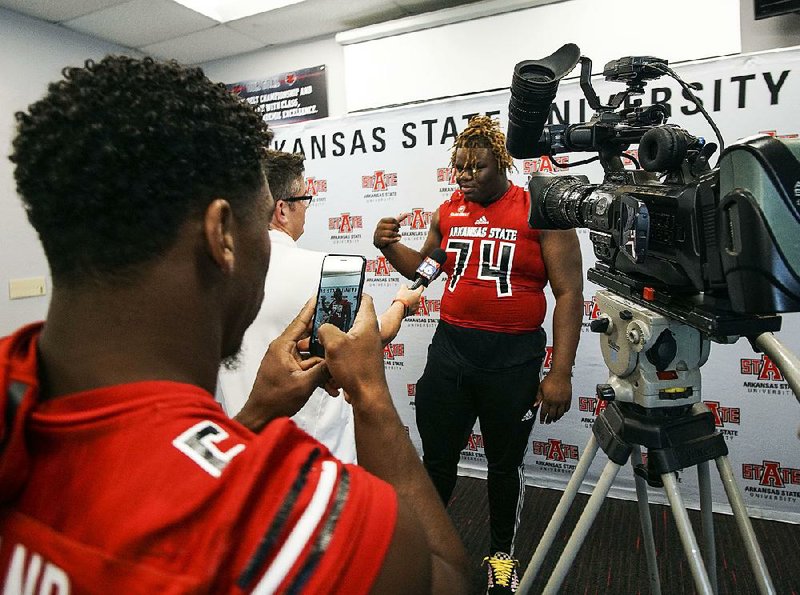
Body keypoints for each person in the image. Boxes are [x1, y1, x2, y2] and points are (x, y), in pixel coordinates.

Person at [0, 55, 468, 594]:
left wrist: (254, 414)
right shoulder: (290, 521)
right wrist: (371, 396)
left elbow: (149, 481)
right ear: (221, 233)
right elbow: (446, 579)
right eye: (261, 221)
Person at [373, 115, 583, 593]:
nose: (465, 177)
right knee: (439, 461)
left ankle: (501, 558)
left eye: (477, 168)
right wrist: (389, 247)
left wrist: (561, 371)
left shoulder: (539, 210)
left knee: (503, 467)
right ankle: (426, 547)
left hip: (512, 359)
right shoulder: (448, 211)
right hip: (452, 352)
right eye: (459, 168)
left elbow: (570, 292)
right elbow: (426, 271)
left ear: (502, 164)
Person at [218, 149, 422, 463]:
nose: (307, 211)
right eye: (305, 200)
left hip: (239, 446)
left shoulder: (217, 271)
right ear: (282, 210)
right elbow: (367, 339)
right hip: (313, 453)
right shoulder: (326, 270)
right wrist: (401, 304)